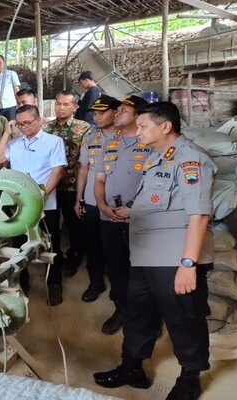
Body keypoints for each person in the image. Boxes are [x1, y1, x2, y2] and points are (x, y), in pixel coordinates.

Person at [94, 102, 216, 400]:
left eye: (143, 126)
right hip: (145, 255)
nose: (137, 132)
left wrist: (188, 264)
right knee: (138, 315)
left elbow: (198, 215)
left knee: (183, 318)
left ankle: (189, 379)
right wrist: (130, 209)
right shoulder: (156, 158)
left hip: (174, 259)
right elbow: (156, 199)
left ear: (165, 126)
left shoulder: (191, 161)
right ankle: (132, 367)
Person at [0, 105, 67, 305]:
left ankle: (54, 284)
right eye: (20, 123)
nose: (24, 127)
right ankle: (21, 283)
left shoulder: (54, 142)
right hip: (18, 207)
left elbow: (57, 172)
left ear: (39, 120)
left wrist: (40, 197)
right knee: (18, 247)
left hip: (45, 204)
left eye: (28, 122)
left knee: (51, 245)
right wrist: (7, 133)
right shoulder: (15, 144)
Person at [93, 95, 151, 334]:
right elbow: (99, 180)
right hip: (109, 217)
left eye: (124, 110)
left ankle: (148, 318)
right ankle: (121, 309)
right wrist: (102, 205)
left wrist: (134, 208)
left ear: (138, 116)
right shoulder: (109, 143)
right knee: (116, 267)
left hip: (141, 220)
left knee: (143, 270)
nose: (116, 113)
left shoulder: (149, 143)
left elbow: (156, 185)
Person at [75, 95, 121, 302]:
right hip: (92, 201)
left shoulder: (128, 137)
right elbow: (84, 170)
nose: (97, 117)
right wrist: (79, 199)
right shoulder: (90, 138)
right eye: (95, 113)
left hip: (116, 202)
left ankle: (118, 288)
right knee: (92, 245)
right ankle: (96, 283)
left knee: (116, 249)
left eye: (102, 112)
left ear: (115, 112)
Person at [43, 90, 92, 277]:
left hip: (72, 185)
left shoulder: (84, 128)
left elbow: (86, 161)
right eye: (58, 103)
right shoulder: (46, 128)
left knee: (74, 225)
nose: (61, 108)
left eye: (66, 104)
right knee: (51, 225)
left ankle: (74, 256)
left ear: (75, 107)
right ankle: (56, 258)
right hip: (50, 186)